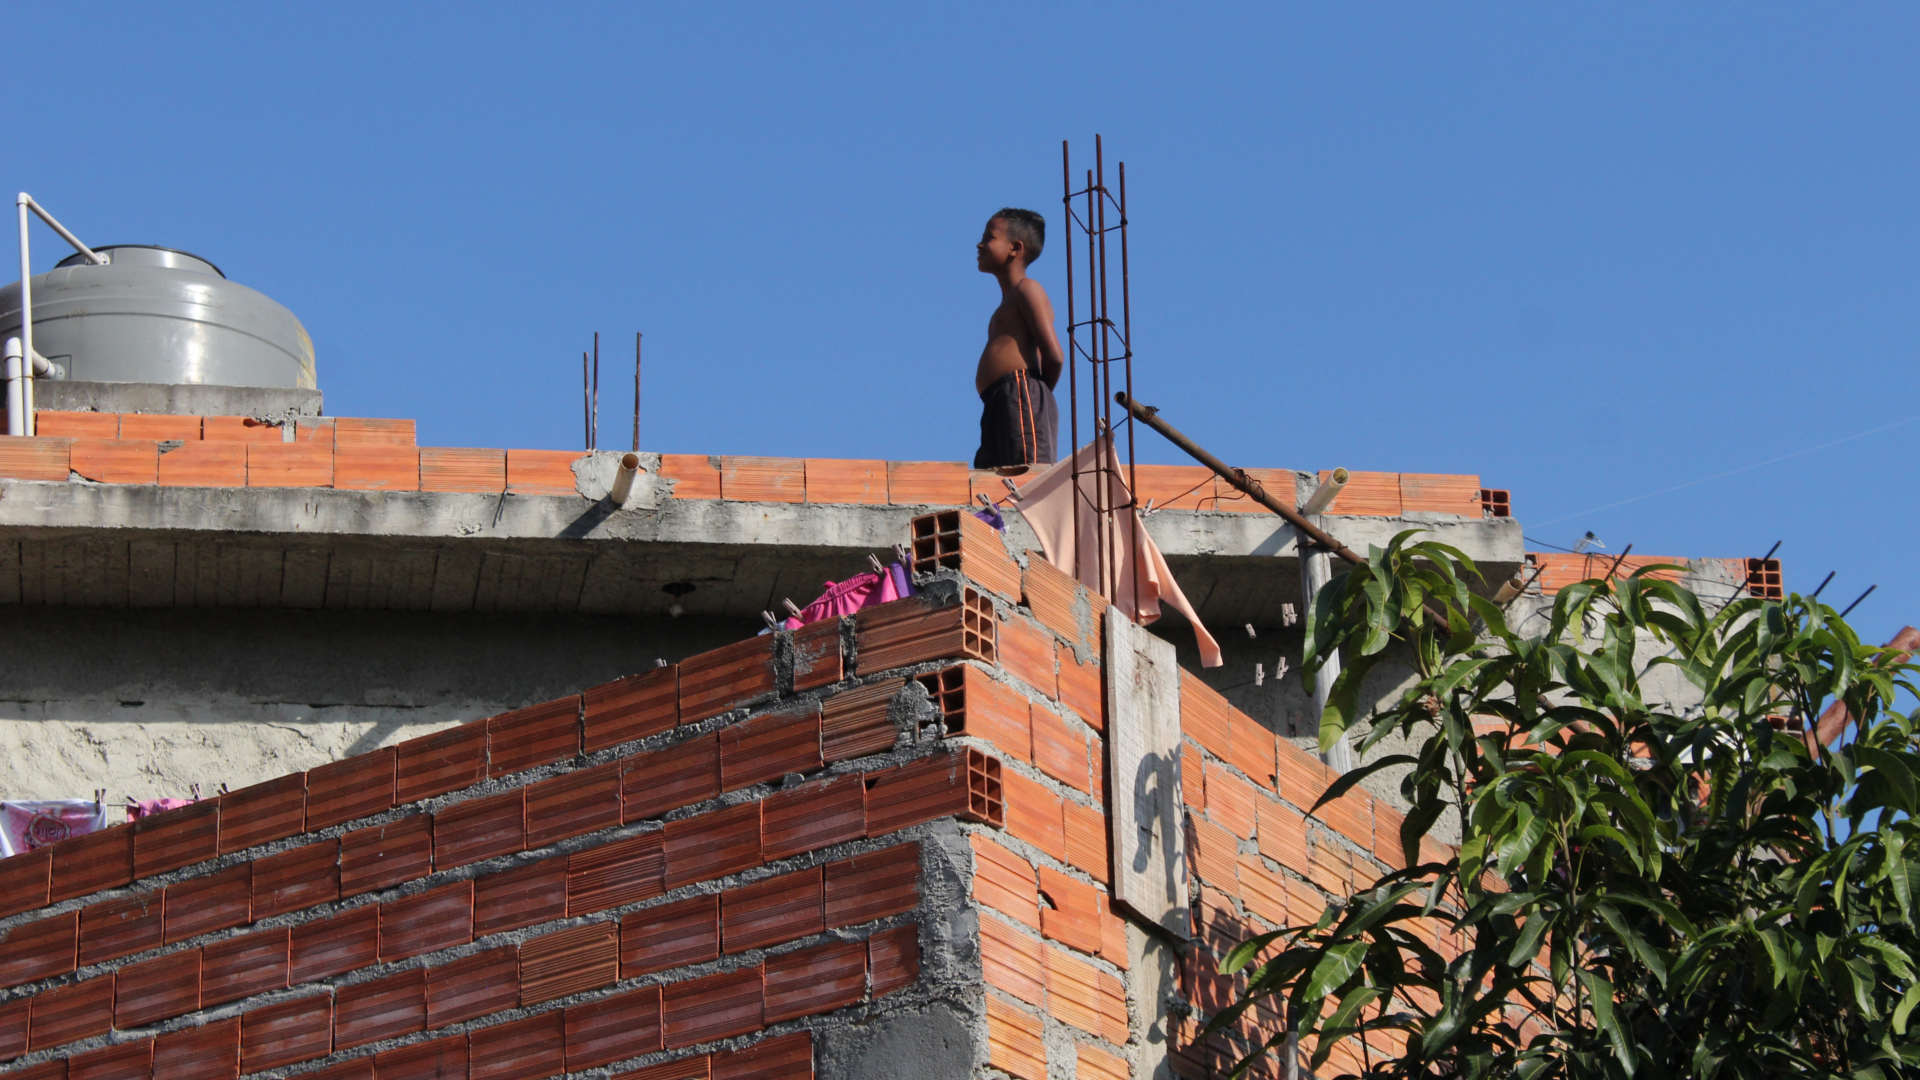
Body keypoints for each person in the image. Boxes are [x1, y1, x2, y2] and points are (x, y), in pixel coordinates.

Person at [973, 208, 1064, 470]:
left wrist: (1033, 395)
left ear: (1015, 248)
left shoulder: (1028, 289)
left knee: (1027, 472)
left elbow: (1055, 357)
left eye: (989, 237)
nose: (980, 244)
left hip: (1020, 393)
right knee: (994, 479)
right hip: (998, 401)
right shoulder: (1005, 305)